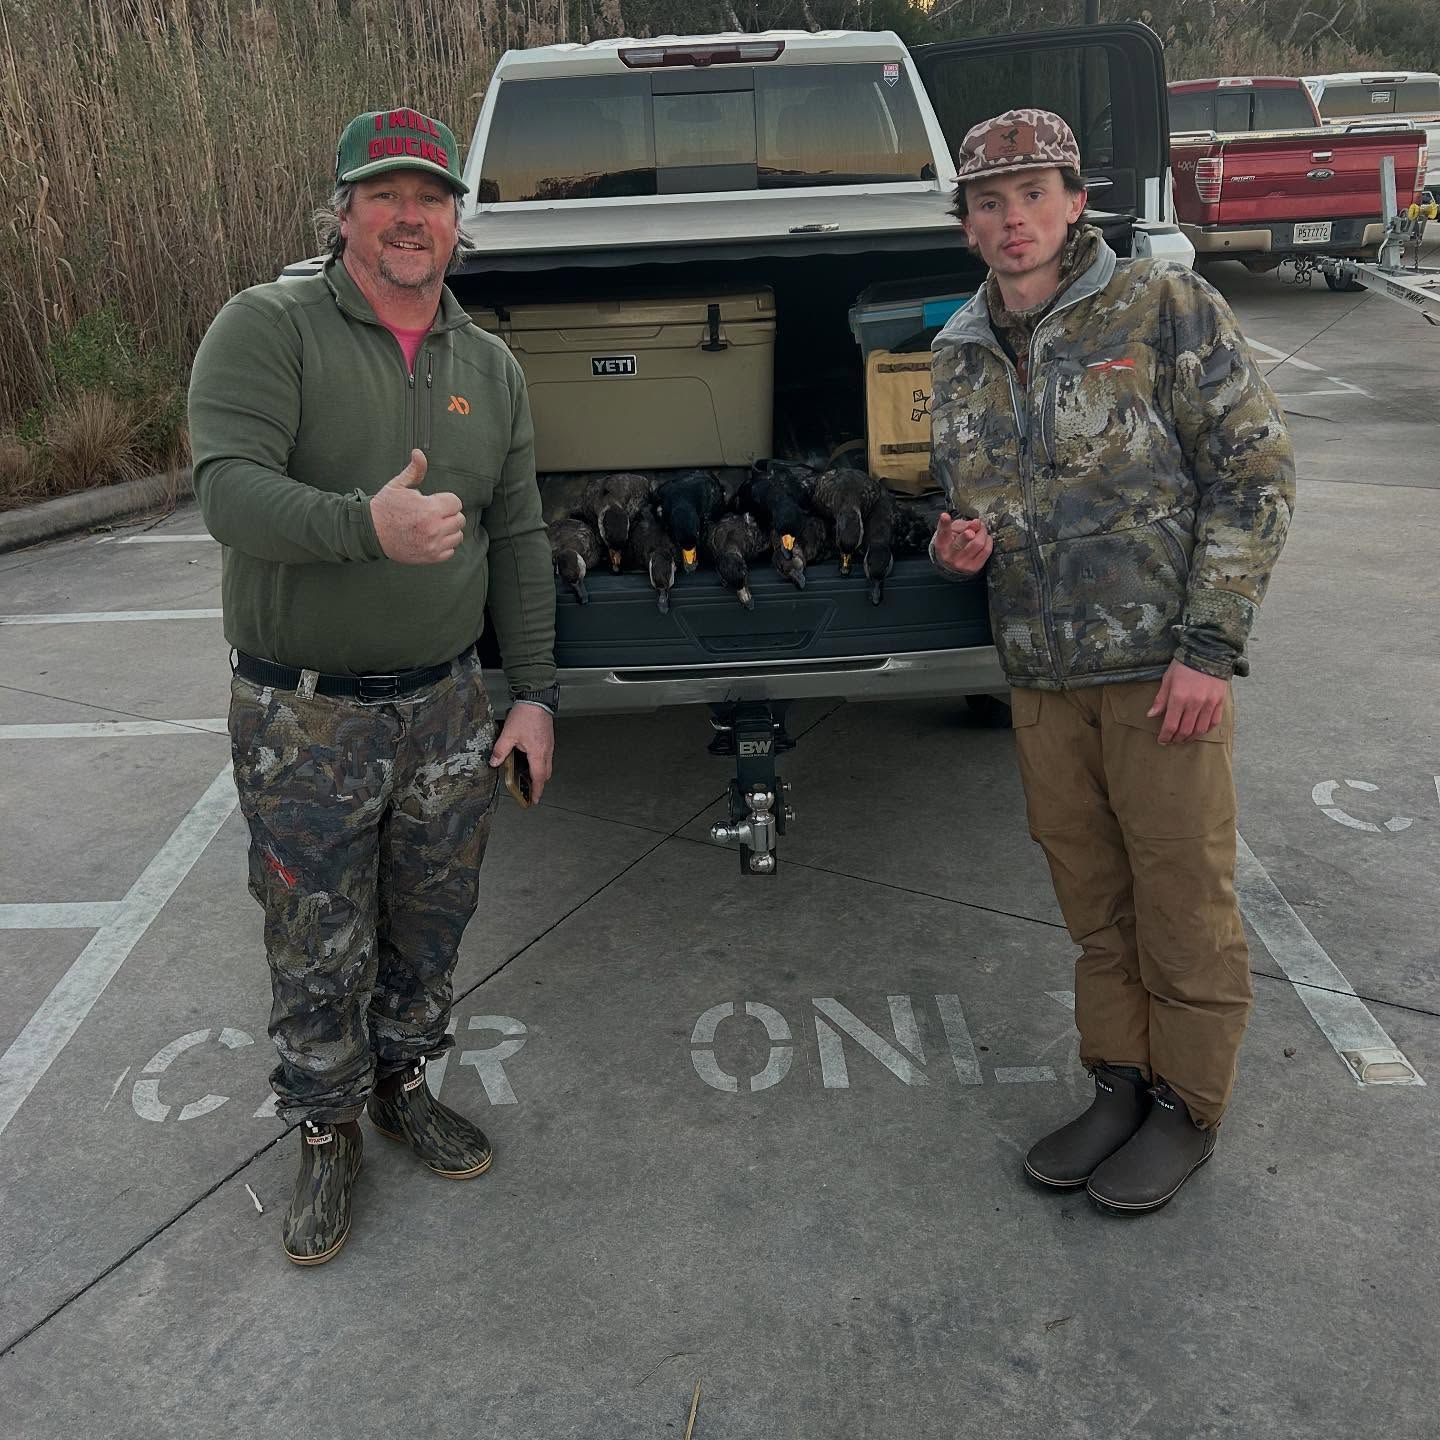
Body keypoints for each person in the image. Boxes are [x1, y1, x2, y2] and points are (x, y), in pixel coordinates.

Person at [189, 106, 558, 1264]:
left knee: (430, 925)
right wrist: (366, 526)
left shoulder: (488, 365)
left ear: (458, 221)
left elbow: (523, 535)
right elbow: (227, 494)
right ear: (343, 211)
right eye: (385, 194)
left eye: (432, 197)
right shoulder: (268, 328)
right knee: (313, 934)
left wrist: (535, 694)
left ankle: (401, 1086)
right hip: (305, 713)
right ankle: (323, 1133)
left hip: (448, 708)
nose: (411, 216)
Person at [929, 109, 1295, 1214]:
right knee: (1094, 901)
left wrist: (1208, 649)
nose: (1013, 220)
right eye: (989, 202)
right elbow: (975, 507)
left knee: (1181, 896)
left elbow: (1256, 476)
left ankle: (1188, 1106)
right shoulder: (956, 349)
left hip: (1158, 672)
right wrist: (960, 547)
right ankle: (1120, 1081)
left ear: (1077, 201)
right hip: (1043, 680)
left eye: (1034, 195)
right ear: (967, 223)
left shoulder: (1164, 307)